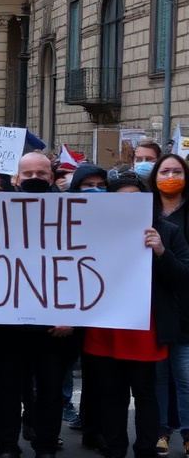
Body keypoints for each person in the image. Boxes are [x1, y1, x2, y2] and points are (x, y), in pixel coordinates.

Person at [80, 171, 189, 458]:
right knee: (111, 394)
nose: (129, 203)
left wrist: (161, 252)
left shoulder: (167, 231)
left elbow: (183, 277)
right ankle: (115, 449)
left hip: (145, 328)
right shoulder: (95, 230)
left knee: (146, 394)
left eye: (135, 198)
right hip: (105, 326)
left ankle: (145, 450)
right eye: (121, 199)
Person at [0, 152, 78, 458]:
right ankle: (7, 444)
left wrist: (72, 315)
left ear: (51, 177)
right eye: (28, 174)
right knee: (7, 388)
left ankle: (46, 445)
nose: (34, 178)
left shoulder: (72, 211)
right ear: (16, 178)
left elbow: (80, 266)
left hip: (55, 325)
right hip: (8, 323)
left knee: (51, 389)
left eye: (41, 173)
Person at [148, 153, 189, 456]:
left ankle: (187, 433)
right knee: (159, 377)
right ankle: (161, 430)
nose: (171, 177)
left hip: (184, 307)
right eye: (165, 171)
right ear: (155, 177)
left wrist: (164, 252)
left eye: (177, 171)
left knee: (185, 377)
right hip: (153, 308)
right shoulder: (144, 211)